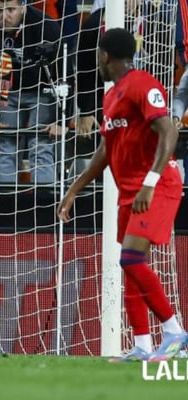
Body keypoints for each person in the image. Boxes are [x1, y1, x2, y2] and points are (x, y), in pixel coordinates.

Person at [57, 28, 187, 362]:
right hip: (129, 190)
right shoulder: (111, 96)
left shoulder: (143, 84)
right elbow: (105, 151)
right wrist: (73, 190)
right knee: (129, 264)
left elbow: (168, 132)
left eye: (97, 55)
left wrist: (150, 181)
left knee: (130, 258)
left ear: (104, 56)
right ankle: (142, 345)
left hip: (156, 186)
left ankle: (174, 331)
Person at [0, 0, 67, 184]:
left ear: (23, 7)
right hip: (3, 87)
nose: (4, 16)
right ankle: (6, 200)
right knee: (6, 147)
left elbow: (64, 73)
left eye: (11, 10)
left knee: (41, 146)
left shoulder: (46, 25)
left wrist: (62, 120)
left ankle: (43, 199)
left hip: (41, 90)